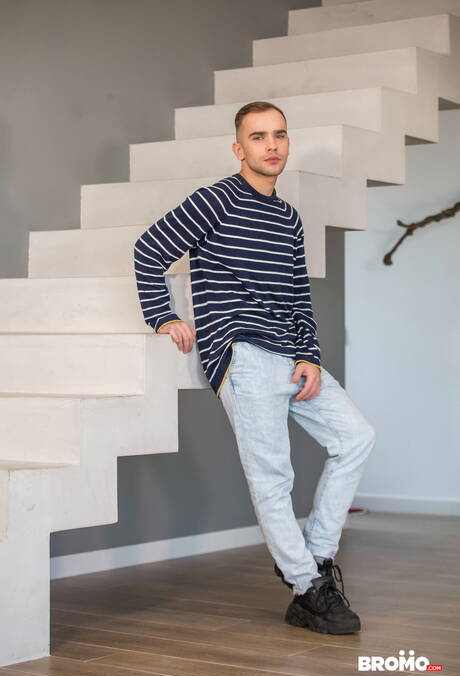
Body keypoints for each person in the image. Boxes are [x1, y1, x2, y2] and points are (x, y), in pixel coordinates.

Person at [133, 100, 376, 635]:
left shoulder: (288, 217)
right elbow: (148, 249)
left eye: (279, 135)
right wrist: (163, 316)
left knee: (356, 437)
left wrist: (310, 355)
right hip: (242, 355)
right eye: (259, 136)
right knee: (274, 477)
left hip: (291, 357)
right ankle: (307, 588)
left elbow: (298, 296)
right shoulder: (215, 200)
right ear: (238, 148)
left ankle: (316, 559)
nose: (271, 145)